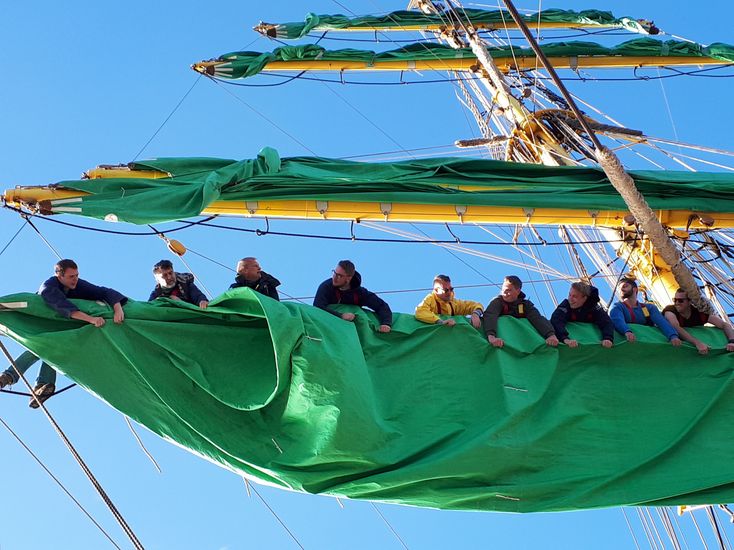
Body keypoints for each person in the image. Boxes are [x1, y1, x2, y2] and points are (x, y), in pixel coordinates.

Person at [0, 258, 127, 408]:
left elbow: (104, 292)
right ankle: (13, 377)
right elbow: (65, 308)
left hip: (61, 327)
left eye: (77, 275)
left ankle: (40, 384)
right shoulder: (48, 288)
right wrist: (91, 319)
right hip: (42, 323)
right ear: (59, 276)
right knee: (41, 347)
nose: (75, 280)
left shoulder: (77, 284)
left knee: (53, 348)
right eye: (71, 276)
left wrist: (118, 309)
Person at [313, 260, 392, 333]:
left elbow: (381, 306)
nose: (334, 277)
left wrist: (386, 323)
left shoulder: (360, 293)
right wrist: (341, 316)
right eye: (334, 272)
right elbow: (318, 307)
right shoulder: (326, 287)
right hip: (332, 325)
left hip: (353, 330)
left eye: (339, 275)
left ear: (348, 278)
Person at [483, 275, 558, 348]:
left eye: (508, 290)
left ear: (518, 291)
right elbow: (490, 315)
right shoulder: (498, 302)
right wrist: (491, 336)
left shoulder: (525, 305)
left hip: (523, 342)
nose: (504, 293)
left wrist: (551, 335)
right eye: (503, 290)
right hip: (503, 340)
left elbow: (537, 318)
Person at [609, 277, 681, 346]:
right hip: (629, 343)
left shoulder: (649, 308)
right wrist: (626, 331)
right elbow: (617, 320)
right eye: (620, 288)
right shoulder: (617, 307)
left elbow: (661, 322)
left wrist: (673, 336)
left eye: (625, 286)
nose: (621, 289)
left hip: (651, 343)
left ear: (635, 289)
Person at [662, 289, 734, 354]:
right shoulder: (670, 310)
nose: (677, 303)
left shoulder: (699, 314)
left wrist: (732, 341)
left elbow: (724, 325)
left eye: (680, 300)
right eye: (675, 300)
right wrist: (697, 343)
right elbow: (675, 326)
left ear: (689, 301)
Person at [550, 281, 614, 348]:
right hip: (572, 342)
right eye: (569, 295)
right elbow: (556, 320)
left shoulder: (593, 307)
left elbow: (606, 322)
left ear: (584, 298)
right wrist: (565, 339)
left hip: (592, 342)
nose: (570, 299)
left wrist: (608, 338)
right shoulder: (565, 305)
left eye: (575, 296)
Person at [415, 274, 483, 328]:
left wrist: (475, 314)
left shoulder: (454, 303)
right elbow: (420, 311)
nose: (449, 292)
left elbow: (475, 305)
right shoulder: (430, 299)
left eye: (451, 289)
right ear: (436, 290)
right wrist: (439, 321)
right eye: (446, 290)